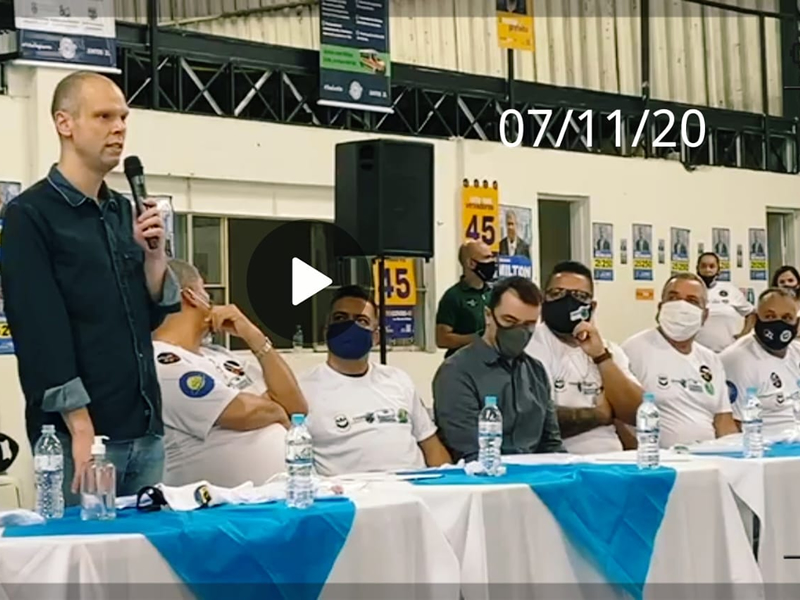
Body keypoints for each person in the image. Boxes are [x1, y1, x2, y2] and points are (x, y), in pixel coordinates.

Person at [0, 71, 180, 504]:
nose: (118, 128)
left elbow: (147, 318)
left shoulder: (123, 211)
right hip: (79, 439)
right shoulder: (31, 216)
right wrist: (79, 425)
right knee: (85, 547)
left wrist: (154, 259)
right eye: (104, 116)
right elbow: (39, 330)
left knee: (146, 548)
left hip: (144, 430)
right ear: (65, 123)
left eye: (123, 118)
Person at [152, 260, 306, 487]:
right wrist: (275, 410)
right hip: (218, 503)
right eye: (204, 290)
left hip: (283, 493)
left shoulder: (220, 355)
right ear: (190, 296)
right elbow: (241, 413)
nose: (211, 300)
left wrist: (254, 337)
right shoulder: (162, 360)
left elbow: (297, 408)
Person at [298, 286, 451, 476]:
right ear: (326, 331)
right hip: (353, 492)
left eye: (361, 320)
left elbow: (431, 446)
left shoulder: (398, 380)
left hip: (414, 486)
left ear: (376, 337)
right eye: (340, 318)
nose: (350, 326)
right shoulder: (303, 389)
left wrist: (451, 483)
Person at [433, 277, 564, 461]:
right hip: (485, 474)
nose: (519, 331)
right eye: (509, 321)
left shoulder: (536, 371)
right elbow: (470, 452)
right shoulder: (456, 373)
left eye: (528, 324)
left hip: (537, 473)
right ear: (488, 315)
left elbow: (552, 445)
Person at [526, 262, 643, 454]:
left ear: (592, 306)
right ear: (543, 300)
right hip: (559, 461)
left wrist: (601, 357)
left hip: (611, 459)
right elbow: (536, 422)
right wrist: (600, 415)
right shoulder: (529, 345)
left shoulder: (608, 349)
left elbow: (638, 413)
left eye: (579, 296)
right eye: (557, 293)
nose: (567, 301)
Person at [621, 274, 739, 448]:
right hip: (657, 458)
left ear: (705, 315)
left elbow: (723, 421)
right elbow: (619, 418)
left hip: (708, 456)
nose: (681, 306)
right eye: (673, 298)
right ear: (660, 308)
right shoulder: (634, 349)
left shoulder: (710, 360)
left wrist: (735, 452)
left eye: (692, 301)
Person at [721, 288, 800, 437]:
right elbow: (732, 427)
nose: (778, 323)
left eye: (787, 318)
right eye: (770, 316)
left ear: (797, 323)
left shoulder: (797, 352)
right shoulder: (738, 359)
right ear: (756, 319)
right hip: (765, 445)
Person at [435, 239, 495, 358]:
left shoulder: (494, 294)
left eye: (492, 257)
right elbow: (442, 339)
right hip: (463, 362)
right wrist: (476, 339)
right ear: (471, 263)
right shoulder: (453, 296)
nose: (492, 262)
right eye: (486, 257)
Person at [695, 252, 755, 352]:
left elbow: (751, 313)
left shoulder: (730, 290)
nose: (707, 270)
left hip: (727, 352)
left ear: (718, 270)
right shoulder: (690, 290)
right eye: (703, 266)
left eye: (712, 266)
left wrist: (744, 335)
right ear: (697, 269)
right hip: (696, 351)